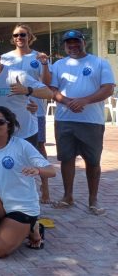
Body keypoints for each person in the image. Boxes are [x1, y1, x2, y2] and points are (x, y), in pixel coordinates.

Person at [0, 106, 56, 258]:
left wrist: (38, 170)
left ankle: (33, 227)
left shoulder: (22, 145)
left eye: (0, 122)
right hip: (1, 203)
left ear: (9, 125)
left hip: (23, 208)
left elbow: (52, 171)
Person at [49, 30, 115, 215]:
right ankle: (67, 196)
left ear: (83, 42)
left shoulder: (100, 63)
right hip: (64, 119)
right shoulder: (59, 65)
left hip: (91, 121)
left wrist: (84, 100)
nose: (73, 46)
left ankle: (93, 200)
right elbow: (52, 90)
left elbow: (108, 88)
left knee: (93, 161)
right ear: (64, 45)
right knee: (66, 159)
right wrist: (67, 102)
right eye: (68, 43)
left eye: (76, 42)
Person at [1, 24, 52, 203]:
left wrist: (45, 65)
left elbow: (47, 83)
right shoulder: (4, 58)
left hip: (34, 111)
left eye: (23, 35)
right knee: (11, 149)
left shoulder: (38, 57)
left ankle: (45, 188)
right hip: (11, 112)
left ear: (30, 36)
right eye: (16, 35)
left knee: (38, 149)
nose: (19, 38)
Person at [0, 42, 53, 146]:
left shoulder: (17, 75)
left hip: (25, 133)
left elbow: (49, 93)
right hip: (2, 134)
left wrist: (27, 90)